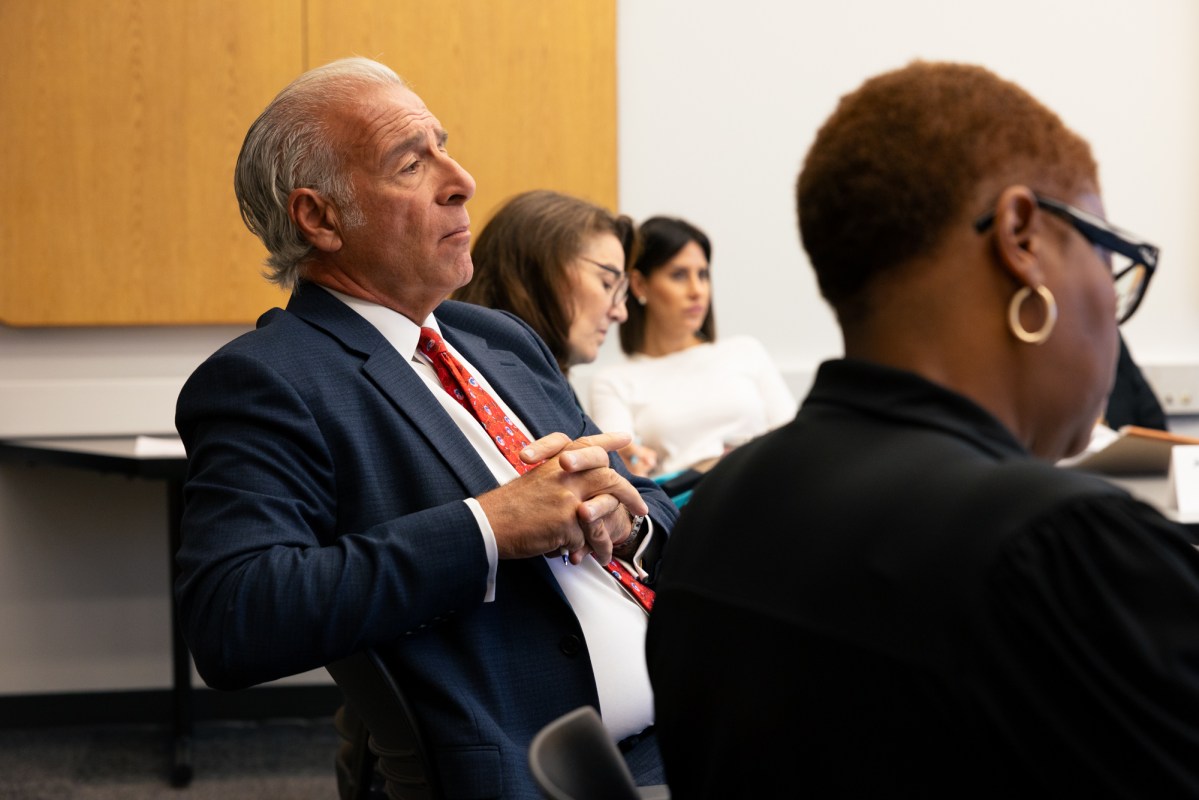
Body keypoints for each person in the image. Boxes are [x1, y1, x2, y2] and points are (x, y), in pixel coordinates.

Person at [646, 61, 1199, 798]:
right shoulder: (1060, 548)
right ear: (1021, 237)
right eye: (1107, 256)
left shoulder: (715, 514)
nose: (1109, 297)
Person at [174, 57, 677, 798]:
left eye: (443, 145)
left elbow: (644, 498)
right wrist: (488, 527)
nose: (462, 179)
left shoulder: (497, 340)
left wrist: (622, 518)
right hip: (549, 772)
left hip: (694, 717)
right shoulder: (271, 379)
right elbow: (234, 617)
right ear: (319, 218)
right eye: (412, 163)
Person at [588, 216, 796, 477]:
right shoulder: (613, 382)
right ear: (640, 285)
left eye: (703, 274)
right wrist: (634, 464)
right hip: (681, 509)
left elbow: (794, 439)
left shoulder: (745, 351)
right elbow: (625, 476)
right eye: (679, 275)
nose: (697, 290)